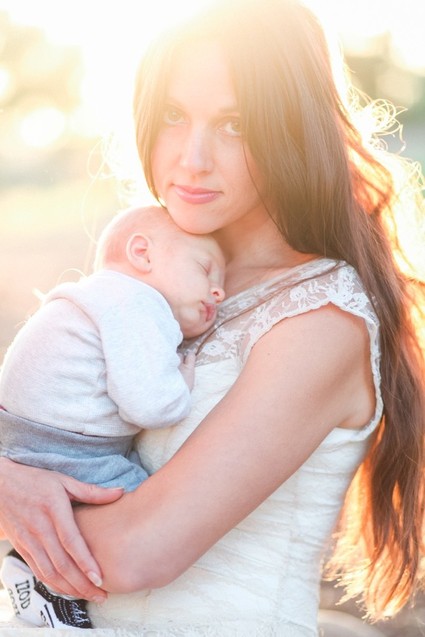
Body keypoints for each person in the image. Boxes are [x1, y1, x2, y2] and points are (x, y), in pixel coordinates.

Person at [0, 0, 424, 635]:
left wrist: (14, 496)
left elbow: (137, 552)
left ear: (292, 130)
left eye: (235, 124)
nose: (192, 158)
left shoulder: (321, 321)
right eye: (174, 116)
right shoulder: (162, 277)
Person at [0, 205, 225, 629]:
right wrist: (183, 379)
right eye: (205, 269)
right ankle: (52, 588)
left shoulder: (94, 296)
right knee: (138, 505)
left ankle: (24, 563)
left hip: (20, 435)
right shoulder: (138, 302)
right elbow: (153, 406)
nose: (218, 292)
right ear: (142, 252)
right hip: (65, 445)